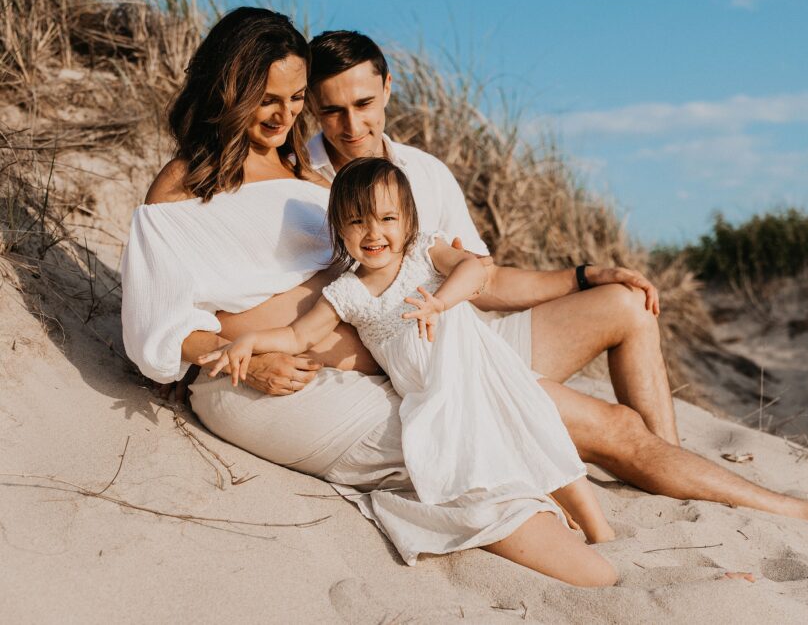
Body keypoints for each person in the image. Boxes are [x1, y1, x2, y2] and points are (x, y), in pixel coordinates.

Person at [122, 8, 808, 592]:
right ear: (229, 84)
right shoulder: (184, 189)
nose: (290, 116)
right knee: (566, 450)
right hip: (332, 375)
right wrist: (251, 354)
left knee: (608, 422)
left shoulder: (321, 180)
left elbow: (442, 267)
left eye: (299, 100)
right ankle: (638, 551)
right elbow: (168, 325)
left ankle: (803, 516)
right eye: (278, 98)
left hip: (418, 351)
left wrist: (578, 276)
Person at [198, 157, 618, 565]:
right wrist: (250, 340)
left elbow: (474, 270)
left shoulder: (421, 252)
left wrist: (439, 303)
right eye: (357, 221)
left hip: (482, 372)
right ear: (338, 230)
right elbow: (297, 335)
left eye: (387, 218)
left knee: (539, 432)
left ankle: (601, 531)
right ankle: (543, 512)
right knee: (487, 462)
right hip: (432, 394)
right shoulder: (348, 293)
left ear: (408, 221)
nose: (373, 232)